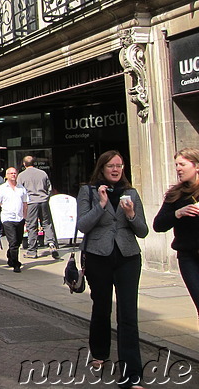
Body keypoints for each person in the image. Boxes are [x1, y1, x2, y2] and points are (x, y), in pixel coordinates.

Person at [77, 150, 148, 388]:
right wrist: (101, 205)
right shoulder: (88, 191)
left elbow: (143, 231)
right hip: (99, 257)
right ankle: (99, 351)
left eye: (120, 165)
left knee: (128, 314)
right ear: (102, 168)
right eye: (111, 166)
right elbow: (83, 225)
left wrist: (131, 214)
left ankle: (132, 374)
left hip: (128, 257)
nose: (116, 169)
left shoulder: (131, 193)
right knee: (102, 307)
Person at [154, 148, 199, 321]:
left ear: (196, 167)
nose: (178, 169)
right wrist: (178, 213)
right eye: (176, 165)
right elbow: (158, 225)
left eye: (182, 164)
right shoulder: (175, 194)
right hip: (188, 257)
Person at [17, 156, 58, 259]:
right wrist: (46, 198)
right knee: (46, 223)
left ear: (24, 164)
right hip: (43, 201)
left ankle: (32, 250)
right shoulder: (42, 173)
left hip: (31, 202)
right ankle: (51, 244)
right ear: (34, 163)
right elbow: (49, 188)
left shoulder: (21, 176)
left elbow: (19, 191)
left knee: (32, 226)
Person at [0, 167, 28, 273]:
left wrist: (25, 217)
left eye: (15, 173)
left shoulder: (21, 188)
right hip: (7, 218)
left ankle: (10, 255)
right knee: (13, 242)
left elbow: (25, 203)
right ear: (6, 175)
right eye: (11, 173)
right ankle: (16, 264)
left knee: (18, 241)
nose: (13, 175)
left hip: (20, 218)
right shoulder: (2, 189)